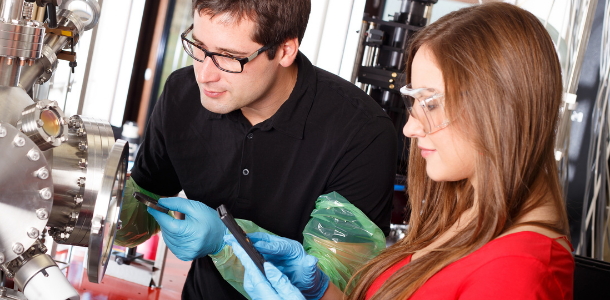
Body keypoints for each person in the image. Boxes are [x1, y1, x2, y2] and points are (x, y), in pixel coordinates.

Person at [227, 2, 575, 300]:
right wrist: (320, 289)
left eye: (431, 104)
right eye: (414, 102)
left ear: (499, 109)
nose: (410, 128)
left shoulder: (518, 271)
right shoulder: (466, 219)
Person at [113, 0, 397, 299]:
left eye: (229, 57)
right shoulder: (181, 94)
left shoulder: (363, 133)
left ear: (285, 51)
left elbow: (334, 287)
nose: (204, 75)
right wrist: (92, 193)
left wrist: (225, 242)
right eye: (199, 46)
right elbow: (137, 216)